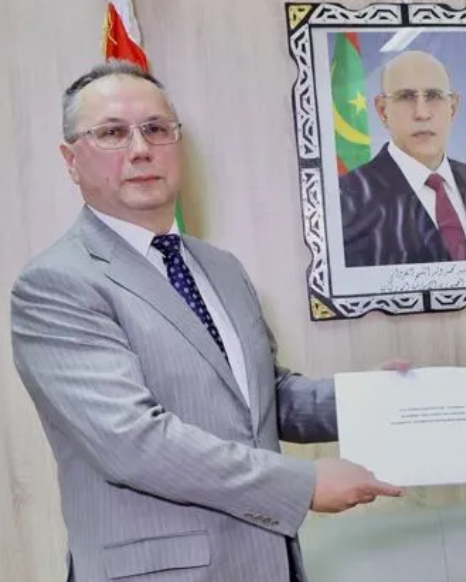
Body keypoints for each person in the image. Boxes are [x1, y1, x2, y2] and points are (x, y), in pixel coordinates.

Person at [9, 61, 404, 582]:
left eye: (156, 128)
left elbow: (264, 399)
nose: (140, 149)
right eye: (111, 133)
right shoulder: (56, 283)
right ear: (71, 160)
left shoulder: (221, 267)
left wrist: (369, 398)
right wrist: (303, 484)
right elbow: (133, 441)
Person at [339, 50, 466, 267]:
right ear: (382, 111)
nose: (422, 113)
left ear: (452, 108)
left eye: (434, 96)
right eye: (406, 97)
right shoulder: (347, 199)